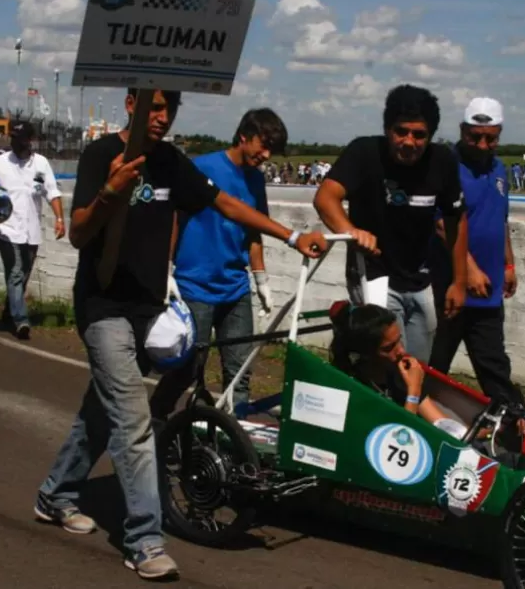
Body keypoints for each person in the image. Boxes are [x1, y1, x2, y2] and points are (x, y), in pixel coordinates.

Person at [35, 86, 327, 580]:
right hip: (103, 308)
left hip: (151, 311)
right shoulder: (102, 155)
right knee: (132, 421)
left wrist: (294, 236)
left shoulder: (171, 161)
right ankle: (145, 539)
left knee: (101, 412)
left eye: (170, 109)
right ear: (132, 104)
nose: (162, 117)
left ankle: (55, 494)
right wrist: (110, 192)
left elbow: (227, 205)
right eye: (154, 107)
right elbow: (80, 233)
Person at [313, 84, 469, 363]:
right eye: (401, 131)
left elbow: (455, 219)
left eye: (419, 135)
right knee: (389, 360)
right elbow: (326, 198)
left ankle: (402, 402)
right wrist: (351, 232)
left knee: (417, 364)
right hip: (373, 275)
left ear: (430, 136)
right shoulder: (364, 152)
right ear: (388, 129)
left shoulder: (443, 161)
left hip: (420, 278)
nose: (408, 142)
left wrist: (459, 281)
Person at [171, 108, 284, 408]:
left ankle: (234, 436)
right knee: (188, 369)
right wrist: (167, 267)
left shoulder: (256, 181)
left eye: (272, 149)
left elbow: (254, 231)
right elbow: (175, 217)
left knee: (240, 371)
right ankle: (162, 426)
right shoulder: (203, 167)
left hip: (235, 287)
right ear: (244, 137)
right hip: (196, 285)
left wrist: (261, 280)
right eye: (263, 145)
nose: (266, 155)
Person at [428, 98, 525, 415]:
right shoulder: (445, 165)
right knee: (433, 364)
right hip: (450, 289)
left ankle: (513, 425)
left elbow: (501, 220)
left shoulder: (499, 169)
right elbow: (443, 224)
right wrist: (467, 270)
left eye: (491, 137)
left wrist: (508, 264)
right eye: (475, 137)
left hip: (488, 291)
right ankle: (416, 421)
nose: (483, 144)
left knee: (494, 365)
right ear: (462, 131)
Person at [0, 121, 64, 338]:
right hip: (6, 227)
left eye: (21, 139)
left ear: (30, 140)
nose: (16, 143)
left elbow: (52, 191)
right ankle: (21, 320)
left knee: (23, 274)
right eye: (13, 138)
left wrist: (60, 218)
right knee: (15, 272)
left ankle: (8, 313)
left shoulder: (41, 163)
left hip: (31, 229)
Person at [329, 301, 451, 426]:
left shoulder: (399, 373)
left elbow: (440, 421)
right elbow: (399, 436)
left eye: (399, 340)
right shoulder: (354, 389)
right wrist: (413, 392)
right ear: (365, 354)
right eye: (388, 348)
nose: (402, 351)